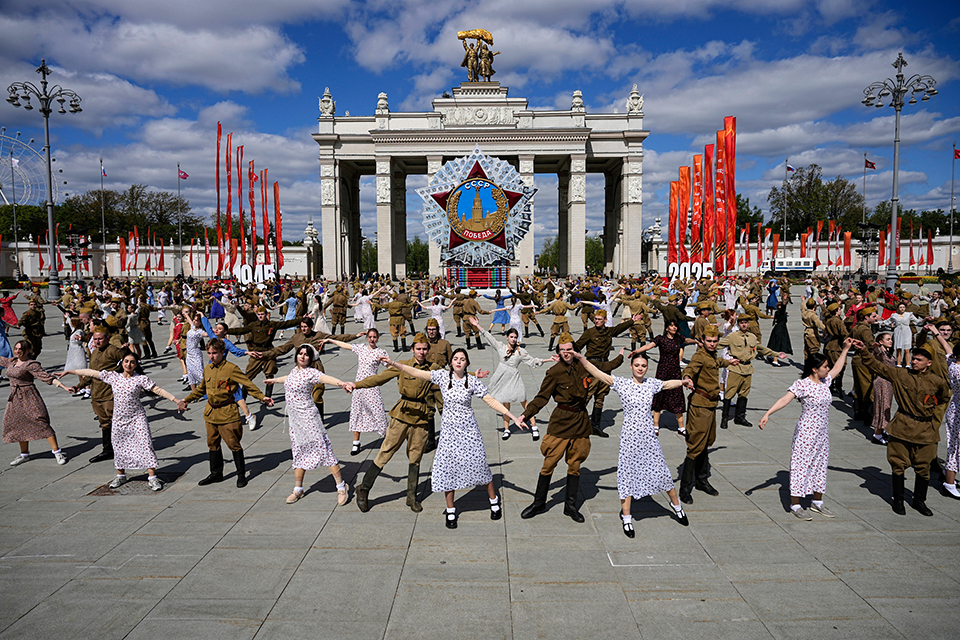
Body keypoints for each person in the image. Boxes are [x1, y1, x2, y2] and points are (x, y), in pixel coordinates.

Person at [381, 348, 523, 529]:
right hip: (449, 434)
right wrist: (394, 364)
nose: (458, 361)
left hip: (469, 432)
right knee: (448, 470)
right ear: (451, 362)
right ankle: (451, 511)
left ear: (466, 363)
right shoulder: (442, 376)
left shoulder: (471, 381)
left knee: (480, 465)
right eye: (455, 358)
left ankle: (493, 501)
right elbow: (417, 372)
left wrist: (513, 417)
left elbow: (490, 400)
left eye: (462, 359)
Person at [574, 350, 692, 537]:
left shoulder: (651, 384)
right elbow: (600, 374)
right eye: (637, 365)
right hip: (629, 438)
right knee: (627, 475)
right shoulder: (623, 384)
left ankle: (676, 506)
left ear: (647, 368)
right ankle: (627, 517)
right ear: (631, 367)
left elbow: (668, 384)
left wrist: (683, 382)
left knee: (661, 470)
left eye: (643, 366)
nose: (640, 368)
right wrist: (582, 359)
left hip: (648, 437)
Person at [519, 332, 624, 523]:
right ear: (558, 352)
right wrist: (526, 415)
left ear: (575, 350)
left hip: (581, 421)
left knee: (575, 465)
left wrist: (622, 357)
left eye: (569, 349)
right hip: (561, 422)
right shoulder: (554, 372)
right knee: (549, 464)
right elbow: (542, 397)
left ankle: (570, 506)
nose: (566, 353)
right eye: (563, 350)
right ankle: (539, 502)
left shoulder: (584, 367)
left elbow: (606, 367)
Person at [758, 339, 856, 519]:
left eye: (827, 366)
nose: (828, 369)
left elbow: (838, 368)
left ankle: (817, 502)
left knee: (820, 465)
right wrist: (768, 413)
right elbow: (784, 399)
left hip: (822, 434)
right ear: (814, 369)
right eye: (825, 366)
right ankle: (795, 505)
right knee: (800, 466)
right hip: (805, 433)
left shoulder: (825, 381)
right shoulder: (802, 384)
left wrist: (845, 349)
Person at [857, 335, 949, 516]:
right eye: (913, 358)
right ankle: (898, 500)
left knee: (924, 467)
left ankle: (919, 501)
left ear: (929, 363)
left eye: (919, 360)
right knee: (898, 464)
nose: (914, 361)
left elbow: (944, 397)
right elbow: (878, 367)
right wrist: (863, 351)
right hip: (903, 427)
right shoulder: (900, 374)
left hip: (926, 430)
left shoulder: (937, 381)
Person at [351, 333, 443, 513]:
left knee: (416, 457)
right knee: (386, 452)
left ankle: (411, 497)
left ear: (428, 350)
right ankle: (364, 489)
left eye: (424, 349)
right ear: (412, 349)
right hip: (401, 415)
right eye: (418, 349)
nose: (422, 352)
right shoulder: (402, 366)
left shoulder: (434, 369)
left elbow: (451, 379)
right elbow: (378, 378)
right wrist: (356, 385)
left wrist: (473, 374)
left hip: (421, 418)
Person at [64, 352, 180, 491]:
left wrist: (176, 400)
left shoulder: (141, 379)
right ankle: (121, 475)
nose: (128, 364)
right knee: (118, 447)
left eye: (132, 362)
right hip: (119, 419)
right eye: (126, 361)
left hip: (137, 418)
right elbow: (91, 372)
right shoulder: (114, 377)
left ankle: (152, 477)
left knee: (146, 444)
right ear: (122, 363)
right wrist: (70, 371)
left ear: (136, 365)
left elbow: (158, 390)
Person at [178, 339, 275, 488]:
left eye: (214, 353)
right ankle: (216, 473)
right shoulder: (208, 369)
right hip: (211, 413)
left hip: (227, 413)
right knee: (212, 444)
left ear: (222, 353)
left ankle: (241, 474)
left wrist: (262, 397)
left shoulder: (231, 368)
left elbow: (247, 384)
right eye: (209, 353)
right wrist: (187, 400)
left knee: (233, 444)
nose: (211, 356)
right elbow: (201, 389)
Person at [264, 344, 352, 505]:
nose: (302, 356)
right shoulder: (294, 371)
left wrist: (341, 383)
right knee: (298, 451)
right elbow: (289, 379)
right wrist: (275, 380)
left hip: (309, 418)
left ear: (311, 358)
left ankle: (341, 486)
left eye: (306, 355)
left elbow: (325, 378)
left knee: (323, 449)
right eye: (300, 353)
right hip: (295, 421)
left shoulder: (311, 372)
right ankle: (298, 489)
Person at [679, 325, 737, 504]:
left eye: (715, 341)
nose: (712, 344)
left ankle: (702, 481)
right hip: (700, 406)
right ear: (702, 341)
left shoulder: (711, 355)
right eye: (709, 341)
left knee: (707, 442)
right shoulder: (699, 355)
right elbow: (690, 369)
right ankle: (685, 489)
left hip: (710, 405)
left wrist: (729, 362)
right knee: (695, 444)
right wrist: (687, 379)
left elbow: (716, 362)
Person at [470, 319, 550, 441]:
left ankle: (534, 427)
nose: (513, 339)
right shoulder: (501, 347)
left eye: (515, 337)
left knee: (524, 402)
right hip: (502, 377)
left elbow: (532, 361)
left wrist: (548, 360)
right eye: (511, 337)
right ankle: (506, 429)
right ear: (507, 337)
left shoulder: (520, 351)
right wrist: (478, 326)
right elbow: (489, 337)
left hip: (514, 378)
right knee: (505, 404)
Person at [3, 341, 70, 467]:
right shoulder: (12, 361)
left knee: (41, 421)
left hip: (29, 396)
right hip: (15, 398)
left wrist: (63, 387)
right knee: (18, 423)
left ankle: (57, 452)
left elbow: (46, 377)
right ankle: (24, 454)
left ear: (28, 350)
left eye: (21, 349)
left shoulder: (31, 364)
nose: (17, 351)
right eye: (16, 348)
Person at [324, 329, 389, 455]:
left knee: (378, 412)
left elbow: (390, 367)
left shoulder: (380, 352)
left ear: (378, 338)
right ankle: (356, 443)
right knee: (357, 413)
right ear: (367, 337)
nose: (372, 339)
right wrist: (330, 340)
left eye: (374, 337)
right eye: (370, 337)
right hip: (358, 387)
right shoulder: (361, 348)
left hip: (372, 387)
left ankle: (388, 439)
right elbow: (346, 345)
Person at [69, 326, 129, 462]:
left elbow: (129, 362)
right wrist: (79, 386)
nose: (97, 341)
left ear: (107, 338)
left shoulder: (113, 351)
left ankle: (123, 448)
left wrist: (118, 372)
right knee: (104, 423)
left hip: (110, 393)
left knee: (116, 421)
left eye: (100, 339)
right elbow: (91, 373)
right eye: (95, 339)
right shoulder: (94, 352)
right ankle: (108, 450)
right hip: (96, 394)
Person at [575, 309, 638, 437]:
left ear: (605, 320)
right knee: (586, 395)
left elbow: (620, 328)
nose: (596, 321)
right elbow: (578, 346)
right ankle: (577, 425)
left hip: (605, 367)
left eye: (599, 319)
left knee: (600, 397)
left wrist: (632, 321)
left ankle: (595, 426)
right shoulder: (590, 332)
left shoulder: (609, 331)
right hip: (592, 367)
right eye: (596, 319)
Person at [717, 316, 785, 429]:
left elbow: (761, 348)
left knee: (744, 394)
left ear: (748, 324)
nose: (744, 324)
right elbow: (718, 345)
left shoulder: (752, 337)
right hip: (736, 368)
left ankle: (740, 417)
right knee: (729, 394)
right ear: (738, 324)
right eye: (742, 323)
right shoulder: (732, 336)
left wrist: (777, 354)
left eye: (746, 323)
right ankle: (725, 418)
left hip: (747, 368)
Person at [633, 319, 698, 435]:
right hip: (663, 371)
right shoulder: (661, 339)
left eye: (675, 326)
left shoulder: (679, 338)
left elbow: (687, 340)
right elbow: (649, 346)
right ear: (667, 328)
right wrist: (636, 351)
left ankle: (681, 427)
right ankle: (655, 424)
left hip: (675, 370)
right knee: (659, 395)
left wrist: (697, 342)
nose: (674, 328)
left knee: (677, 395)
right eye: (671, 326)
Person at [928, 329, 960, 500]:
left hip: (955, 408)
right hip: (959, 413)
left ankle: (950, 479)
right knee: (955, 449)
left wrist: (936, 332)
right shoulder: (959, 370)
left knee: (954, 446)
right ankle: (949, 483)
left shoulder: (953, 362)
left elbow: (948, 349)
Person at [870, 332, 895, 445]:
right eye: (888, 339)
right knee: (881, 407)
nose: (891, 341)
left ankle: (883, 429)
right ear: (881, 342)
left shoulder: (888, 352)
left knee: (886, 406)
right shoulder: (880, 352)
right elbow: (877, 354)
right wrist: (876, 348)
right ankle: (877, 434)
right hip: (882, 382)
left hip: (889, 382)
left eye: (891, 339)